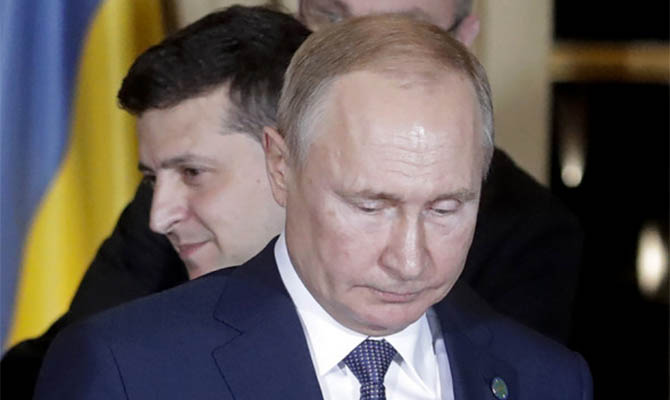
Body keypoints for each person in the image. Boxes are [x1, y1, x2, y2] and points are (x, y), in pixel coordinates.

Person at [34, 14, 592, 400]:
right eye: (370, 206)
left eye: (445, 209)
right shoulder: (126, 370)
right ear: (281, 167)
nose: (409, 261)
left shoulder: (549, 380)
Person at [0, 6, 310, 399]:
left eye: (192, 173)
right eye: (151, 179)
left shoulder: (381, 299)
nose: (159, 218)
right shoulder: (134, 336)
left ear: (283, 160)